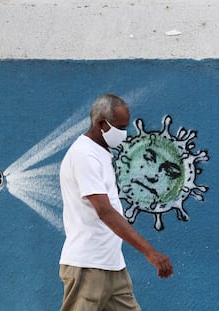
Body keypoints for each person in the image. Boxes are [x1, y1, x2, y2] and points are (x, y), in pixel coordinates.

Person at [58, 94, 173, 311]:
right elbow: (104, 211)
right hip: (88, 266)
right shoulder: (85, 155)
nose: (124, 133)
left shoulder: (100, 152)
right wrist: (149, 251)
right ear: (101, 124)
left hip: (112, 265)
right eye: (120, 127)